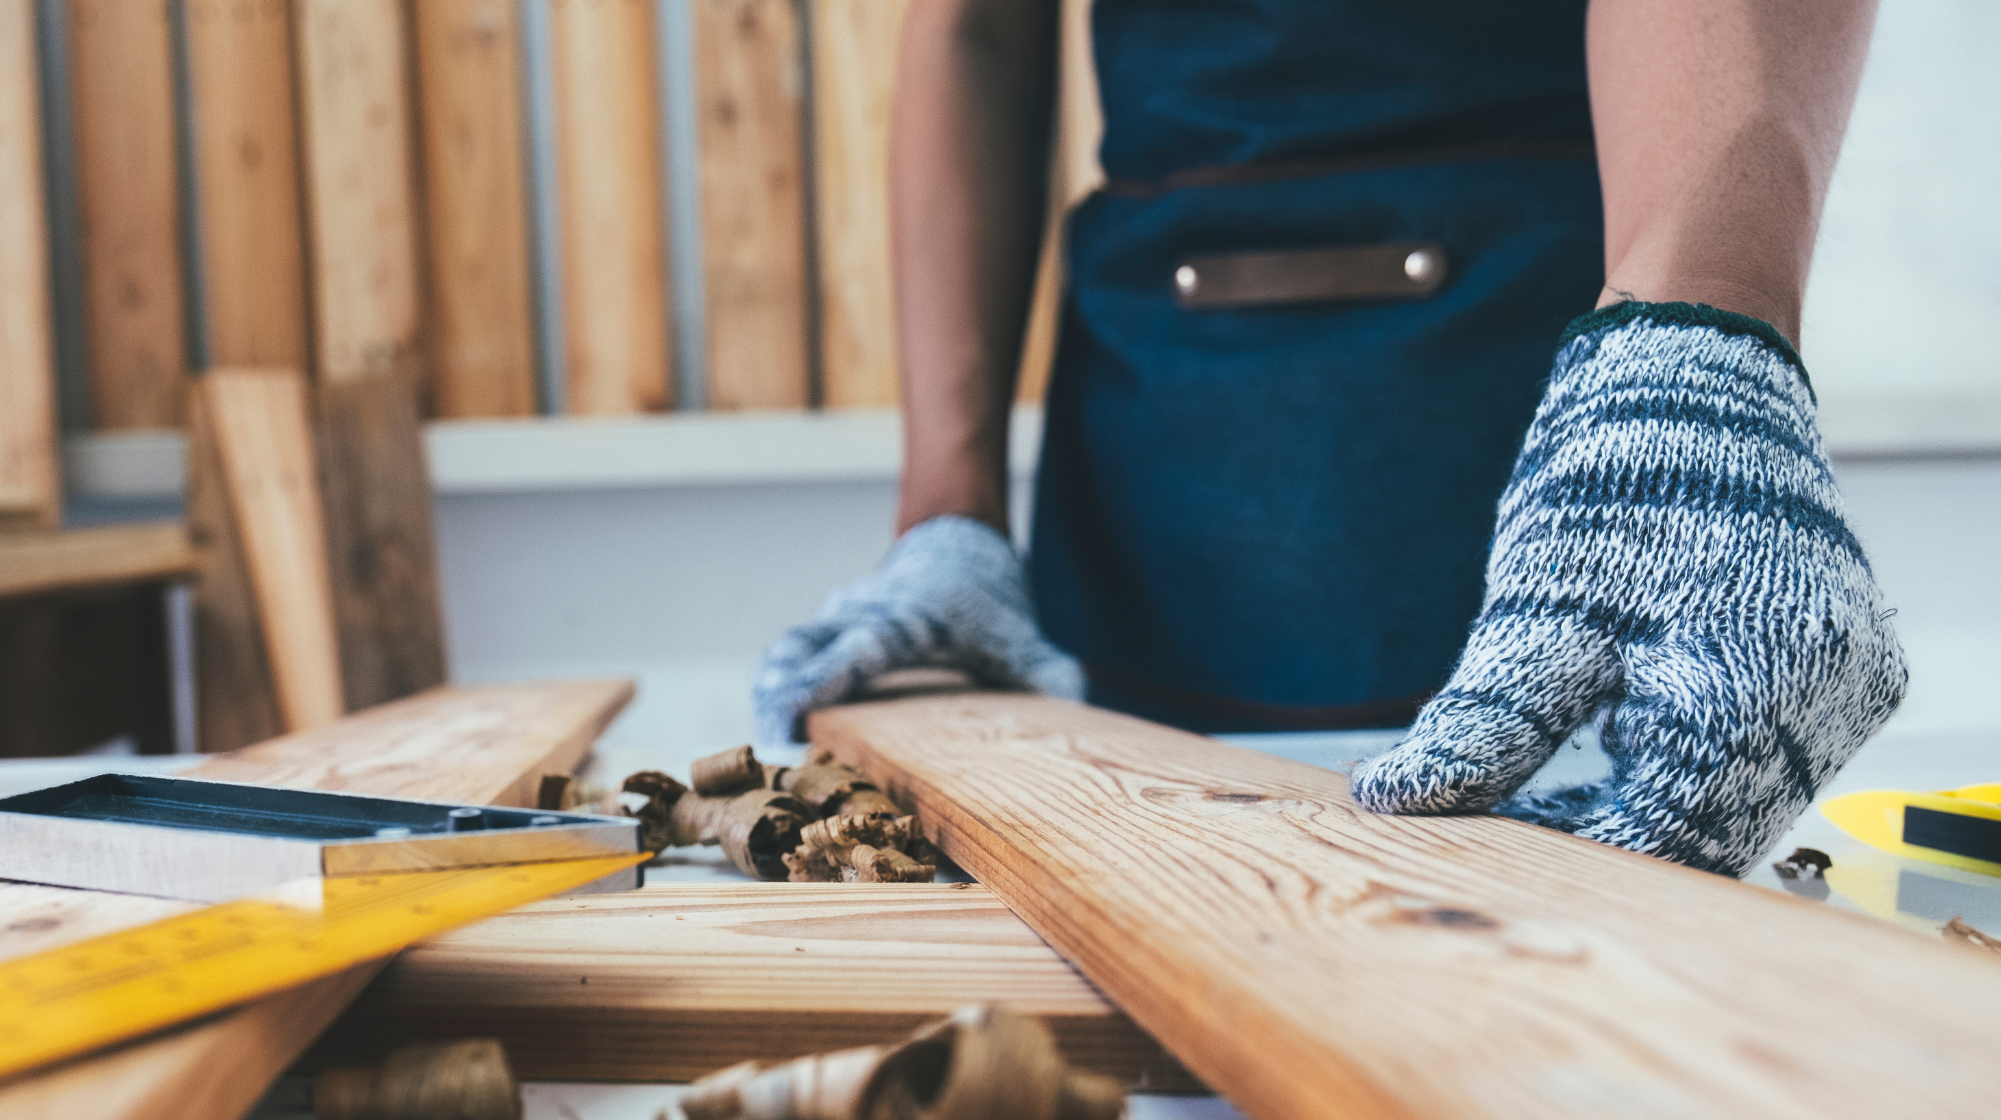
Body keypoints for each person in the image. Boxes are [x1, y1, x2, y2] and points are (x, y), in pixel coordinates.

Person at [752, 0, 1906, 878]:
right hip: (1155, 481)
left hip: (1559, 441)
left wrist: (1696, 355)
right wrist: (947, 519)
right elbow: (976, 29)